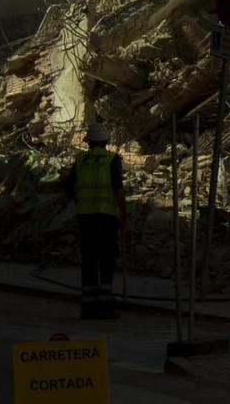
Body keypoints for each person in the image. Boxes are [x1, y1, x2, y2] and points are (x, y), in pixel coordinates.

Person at [62, 121, 125, 318]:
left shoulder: (81, 160)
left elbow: (68, 186)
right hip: (107, 216)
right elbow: (118, 188)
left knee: (89, 258)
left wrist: (78, 199)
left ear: (88, 141)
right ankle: (105, 305)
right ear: (106, 141)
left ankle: (88, 305)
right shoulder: (111, 159)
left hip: (86, 216)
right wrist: (124, 213)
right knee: (107, 257)